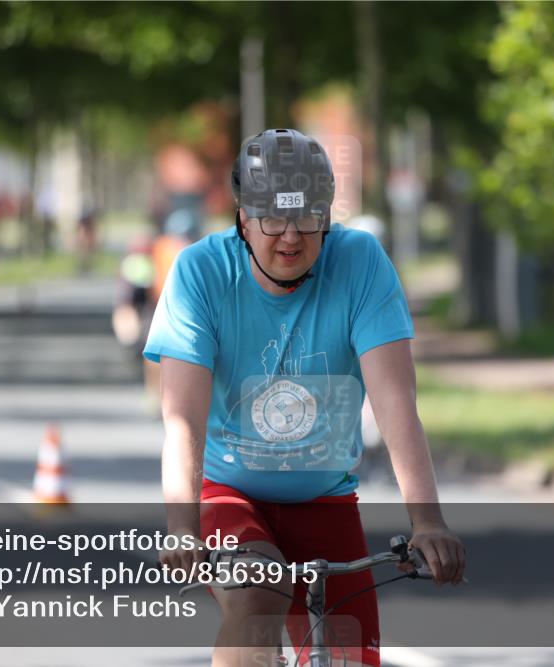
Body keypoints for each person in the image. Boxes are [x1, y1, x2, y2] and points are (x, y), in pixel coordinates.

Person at [145, 129, 465, 667]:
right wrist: (181, 526)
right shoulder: (200, 272)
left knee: (351, 656)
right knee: (258, 593)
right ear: (243, 220)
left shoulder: (360, 263)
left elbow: (393, 402)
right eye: (271, 217)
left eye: (307, 217)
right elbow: (183, 421)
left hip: (326, 499)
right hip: (230, 497)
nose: (290, 236)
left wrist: (427, 520)